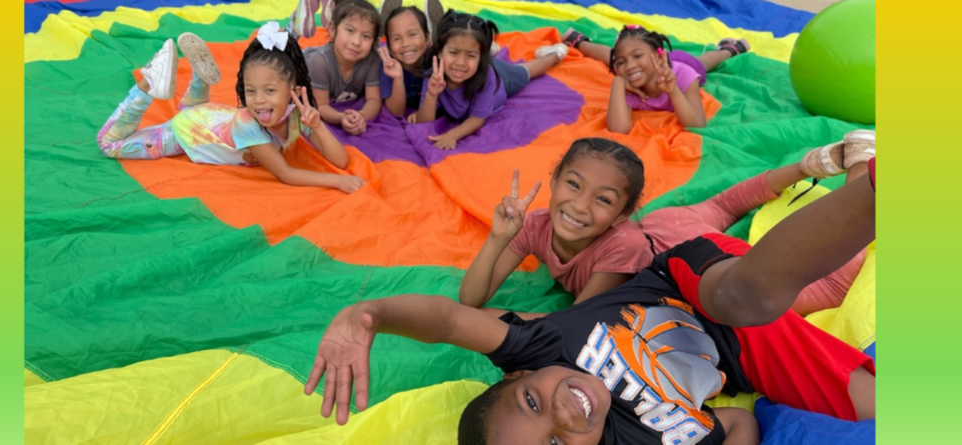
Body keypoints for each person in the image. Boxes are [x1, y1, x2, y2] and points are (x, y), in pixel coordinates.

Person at [303, 155, 878, 445]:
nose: (562, 414)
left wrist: (366, 314)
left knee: (745, 289)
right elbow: (735, 426)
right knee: (878, 410)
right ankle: (858, 181)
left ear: (520, 371)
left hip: (691, 278)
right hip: (744, 345)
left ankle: (875, 179)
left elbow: (456, 316)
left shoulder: (551, 342)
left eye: (532, 403)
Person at [461, 132, 875, 317]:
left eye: (602, 200)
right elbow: (470, 299)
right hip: (664, 223)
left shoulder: (619, 247)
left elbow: (578, 318)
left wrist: (491, 323)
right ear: (553, 181)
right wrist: (499, 239)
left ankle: (862, 174)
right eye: (573, 184)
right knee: (726, 203)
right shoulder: (534, 225)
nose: (580, 206)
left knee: (824, 289)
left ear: (621, 215)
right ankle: (810, 164)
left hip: (681, 253)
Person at [95, 26, 365, 193]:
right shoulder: (250, 125)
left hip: (211, 115)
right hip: (188, 132)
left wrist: (317, 126)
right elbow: (285, 174)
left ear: (293, 88)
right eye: (250, 91)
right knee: (109, 144)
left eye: (269, 91)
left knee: (193, 109)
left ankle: (200, 79)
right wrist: (336, 182)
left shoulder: (298, 113)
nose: (258, 100)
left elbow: (340, 161)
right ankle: (147, 84)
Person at [416, 10, 568, 149]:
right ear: (440, 52)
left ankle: (554, 54)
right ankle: (484, 49)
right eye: (454, 52)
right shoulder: (433, 74)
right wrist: (431, 95)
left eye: (470, 55)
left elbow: (477, 119)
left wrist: (453, 135)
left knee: (525, 72)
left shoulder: (488, 77)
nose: (461, 62)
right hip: (479, 65)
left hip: (501, 76)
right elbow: (423, 122)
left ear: (480, 57)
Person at [561, 26, 749, 134]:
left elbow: (697, 123)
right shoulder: (627, 85)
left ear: (658, 56)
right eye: (622, 62)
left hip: (678, 64)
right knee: (610, 56)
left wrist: (673, 90)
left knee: (702, 63)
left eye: (637, 56)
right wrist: (617, 83)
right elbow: (618, 129)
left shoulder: (683, 74)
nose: (630, 65)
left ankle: (731, 49)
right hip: (648, 66)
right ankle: (581, 42)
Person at [303, 0, 384, 136]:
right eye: (350, 31)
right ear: (333, 30)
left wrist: (361, 116)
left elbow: (374, 100)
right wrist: (341, 118)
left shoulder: (372, 59)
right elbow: (320, 106)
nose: (356, 42)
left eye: (366, 36)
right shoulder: (319, 62)